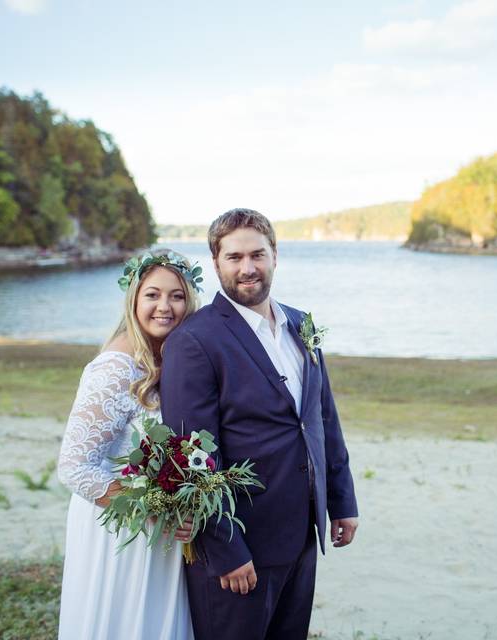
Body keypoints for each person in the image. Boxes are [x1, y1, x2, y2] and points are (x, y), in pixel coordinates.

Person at [161, 208, 359, 640]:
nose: (247, 268)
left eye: (257, 254)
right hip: (242, 545)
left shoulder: (300, 324)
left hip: (302, 535)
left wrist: (341, 499)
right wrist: (224, 548)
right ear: (216, 263)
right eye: (234, 258)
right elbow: (191, 457)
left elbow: (322, 417)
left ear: (275, 255)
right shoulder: (194, 341)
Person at [57, 248, 201, 640]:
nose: (164, 307)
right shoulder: (115, 367)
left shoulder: (173, 359)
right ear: (134, 298)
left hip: (163, 534)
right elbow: (74, 466)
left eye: (176, 296)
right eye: (153, 294)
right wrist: (155, 512)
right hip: (120, 528)